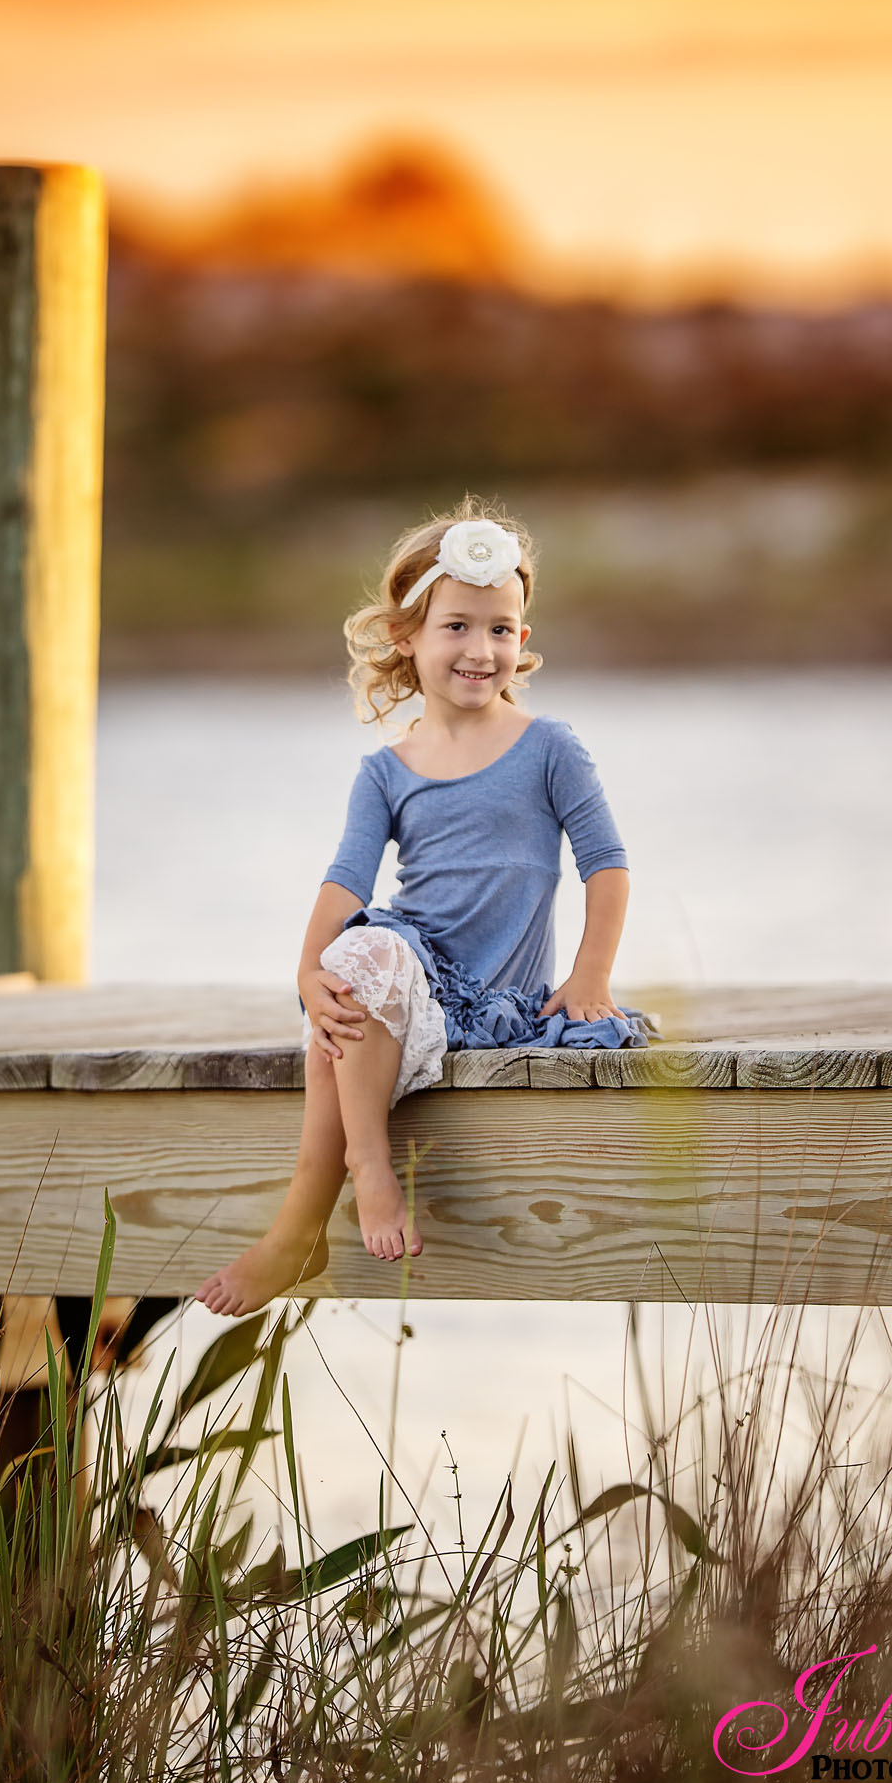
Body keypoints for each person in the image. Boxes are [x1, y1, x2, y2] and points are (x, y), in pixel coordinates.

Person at [196, 497, 658, 1319]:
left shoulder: (550, 748)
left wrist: (590, 977)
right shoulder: (387, 771)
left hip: (486, 995)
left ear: (521, 639)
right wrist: (306, 972)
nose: (481, 649)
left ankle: (308, 1220)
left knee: (352, 986)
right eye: (456, 627)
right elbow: (344, 881)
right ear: (407, 637)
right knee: (341, 988)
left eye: (500, 628)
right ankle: (344, 1187)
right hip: (402, 972)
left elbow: (608, 866)